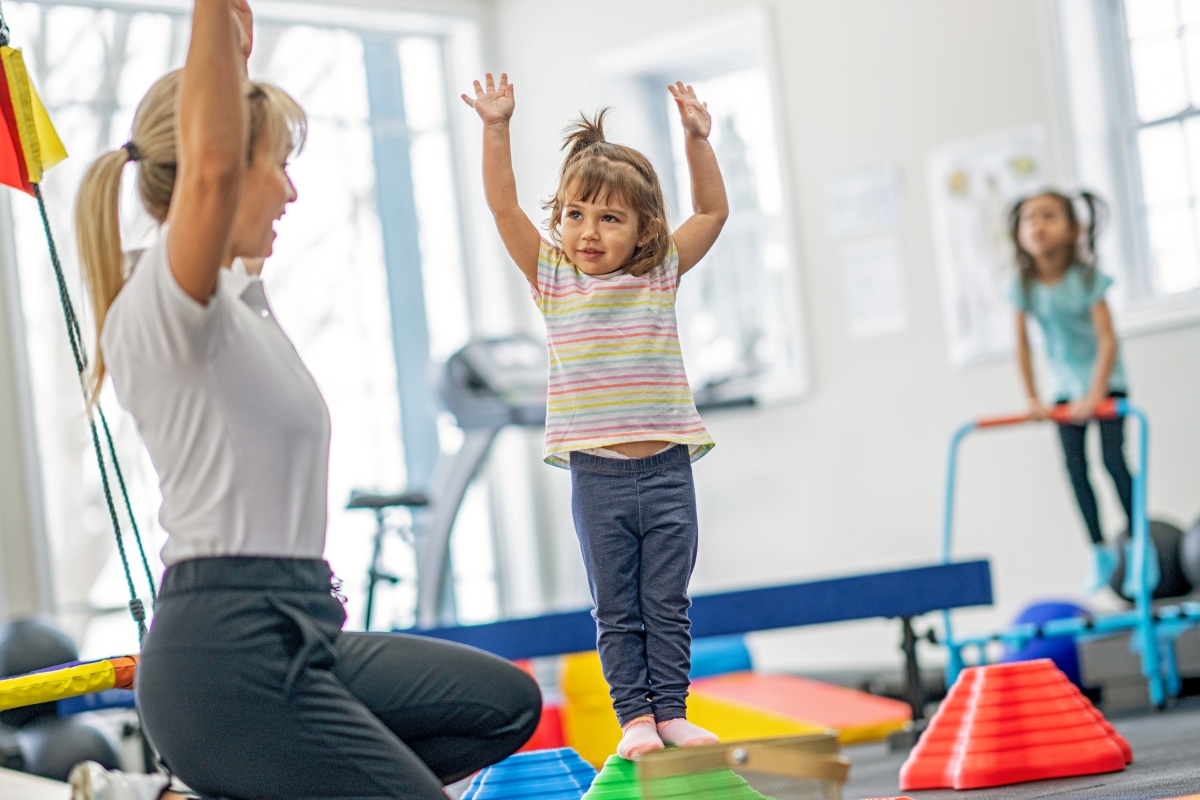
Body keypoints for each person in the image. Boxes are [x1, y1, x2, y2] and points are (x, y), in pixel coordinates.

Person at [67, 4, 539, 799]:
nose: (290, 190)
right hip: (227, 656)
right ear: (207, 180)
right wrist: (215, 22)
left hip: (301, 627)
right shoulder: (163, 307)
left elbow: (221, 156)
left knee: (500, 706)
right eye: (275, 165)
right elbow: (213, 161)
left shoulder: (239, 304)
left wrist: (242, 69)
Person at [462, 73, 728, 760]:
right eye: (576, 214)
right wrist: (496, 129)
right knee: (617, 608)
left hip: (668, 471)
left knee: (667, 603)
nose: (588, 231)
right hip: (598, 477)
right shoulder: (553, 279)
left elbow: (713, 212)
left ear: (645, 229)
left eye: (610, 218)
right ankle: (634, 719)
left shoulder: (660, 271)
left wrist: (698, 140)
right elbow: (501, 209)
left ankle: (671, 711)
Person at [1008, 190, 1134, 594]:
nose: (1037, 226)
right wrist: (1032, 398)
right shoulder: (1024, 284)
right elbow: (1022, 346)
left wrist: (1096, 394)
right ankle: (1098, 550)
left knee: (1113, 462)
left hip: (1105, 381)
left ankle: (1138, 545)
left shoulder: (1085, 278)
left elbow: (1107, 339)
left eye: (1048, 217)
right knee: (1075, 468)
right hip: (1065, 388)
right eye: (1029, 219)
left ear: (1073, 229)